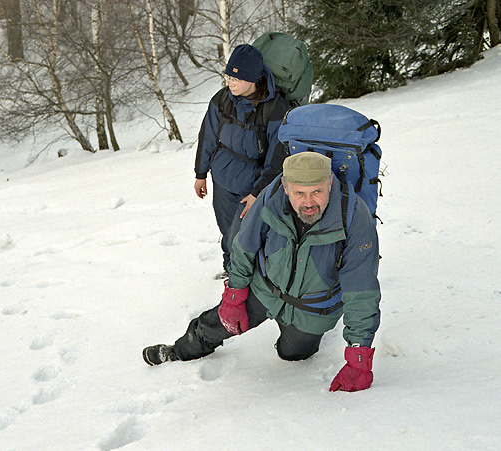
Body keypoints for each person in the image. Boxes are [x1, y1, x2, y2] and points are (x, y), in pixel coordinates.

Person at [144, 152, 381, 392]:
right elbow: (244, 246)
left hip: (313, 308)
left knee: (293, 355)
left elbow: (361, 290)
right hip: (265, 288)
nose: (309, 202)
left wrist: (359, 357)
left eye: (317, 192)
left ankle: (297, 339)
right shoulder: (272, 198)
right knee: (218, 324)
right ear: (286, 187)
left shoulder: (353, 217)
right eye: (299, 193)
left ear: (330, 183)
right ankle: (178, 351)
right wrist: (234, 295)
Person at [194, 44, 288, 278]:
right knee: (227, 231)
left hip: (252, 185)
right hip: (223, 180)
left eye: (237, 77)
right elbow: (207, 135)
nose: (231, 82)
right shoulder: (222, 99)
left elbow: (278, 156)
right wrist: (200, 173)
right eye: (228, 76)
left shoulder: (275, 108)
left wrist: (259, 191)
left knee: (244, 234)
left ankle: (249, 277)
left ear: (254, 78)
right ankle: (231, 271)